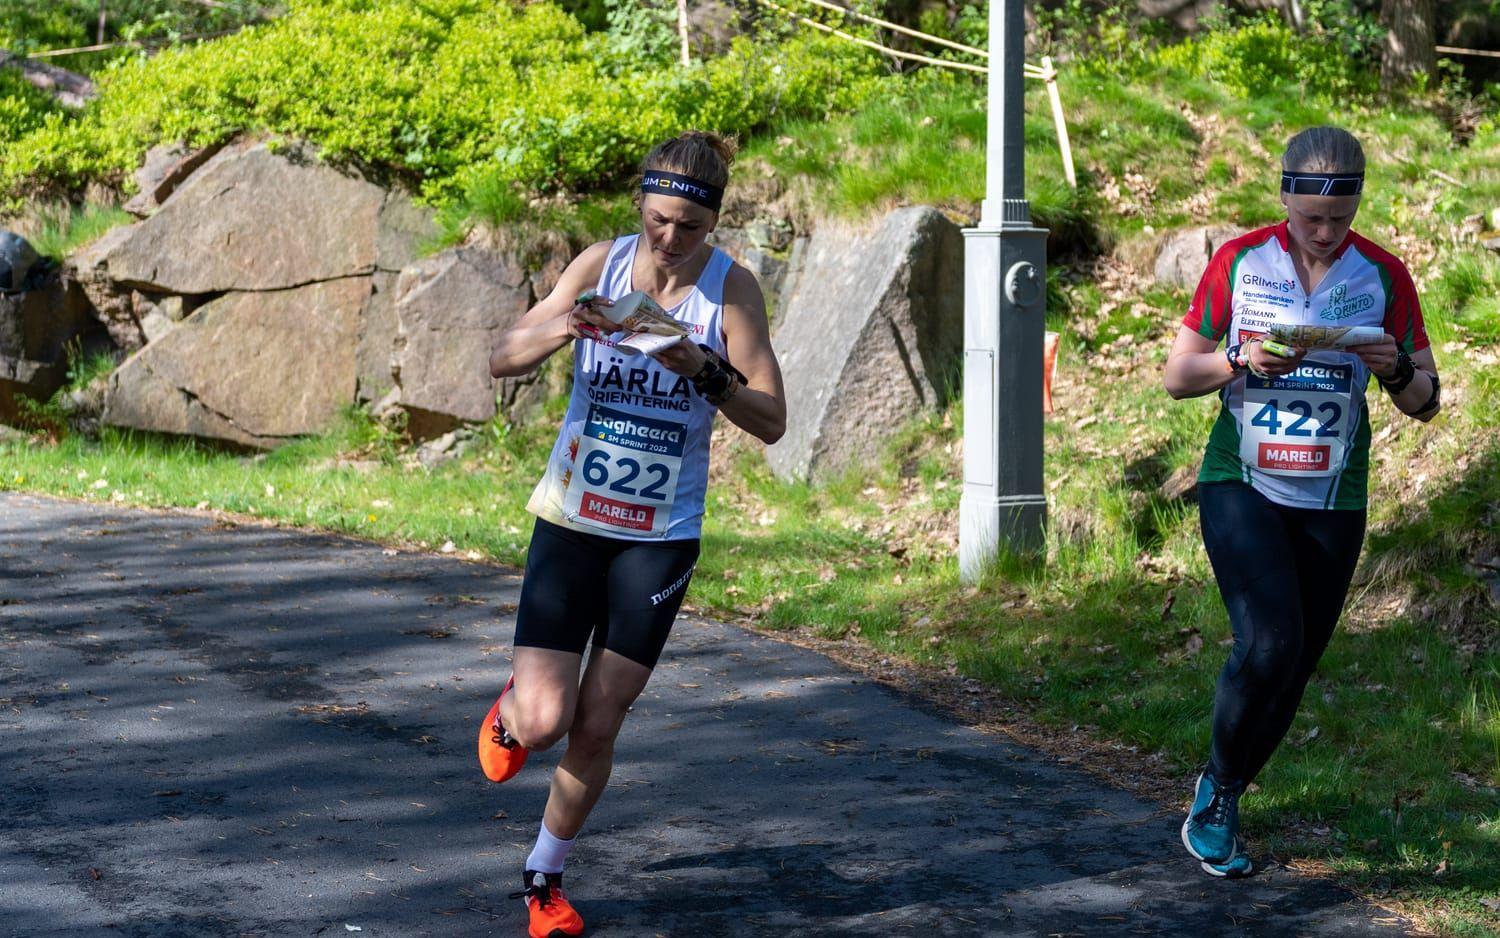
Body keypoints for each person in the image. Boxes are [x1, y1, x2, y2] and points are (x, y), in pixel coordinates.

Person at [479, 130, 786, 937]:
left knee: (600, 721)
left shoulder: (730, 292)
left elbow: (774, 418)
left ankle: (543, 879)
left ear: (712, 223)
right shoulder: (600, 265)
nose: (670, 240)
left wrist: (705, 370)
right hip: (572, 520)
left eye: (688, 226)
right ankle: (515, 713)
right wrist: (565, 328)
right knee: (547, 721)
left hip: (659, 536)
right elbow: (501, 356)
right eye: (657, 220)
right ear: (639, 208)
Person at [1163, 126, 1440, 878]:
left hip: (1333, 498)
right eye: (1310, 218)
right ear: (1284, 196)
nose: (1322, 234)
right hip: (1241, 483)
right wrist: (1237, 357)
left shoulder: (1383, 275)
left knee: (1294, 666)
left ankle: (1227, 787)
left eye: (1338, 221)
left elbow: (1426, 401)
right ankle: (1218, 795)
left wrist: (1394, 367)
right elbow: (1176, 374)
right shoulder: (1240, 262)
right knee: (1268, 645)